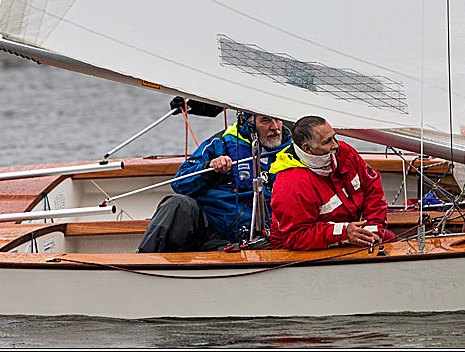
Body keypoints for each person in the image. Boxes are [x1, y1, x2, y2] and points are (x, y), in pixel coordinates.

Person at [137, 101, 292, 252]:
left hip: (264, 237)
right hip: (211, 231)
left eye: (277, 119)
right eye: (265, 120)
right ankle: (142, 264)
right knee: (178, 204)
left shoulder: (294, 154)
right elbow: (179, 183)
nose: (275, 127)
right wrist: (210, 169)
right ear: (249, 123)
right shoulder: (220, 146)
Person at [268, 115, 395, 250]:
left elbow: (372, 188)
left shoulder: (344, 153)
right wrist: (344, 233)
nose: (335, 144)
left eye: (334, 137)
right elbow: (296, 236)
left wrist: (373, 228)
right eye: (327, 141)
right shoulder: (292, 183)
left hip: (346, 231)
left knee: (389, 238)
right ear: (307, 148)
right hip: (300, 249)